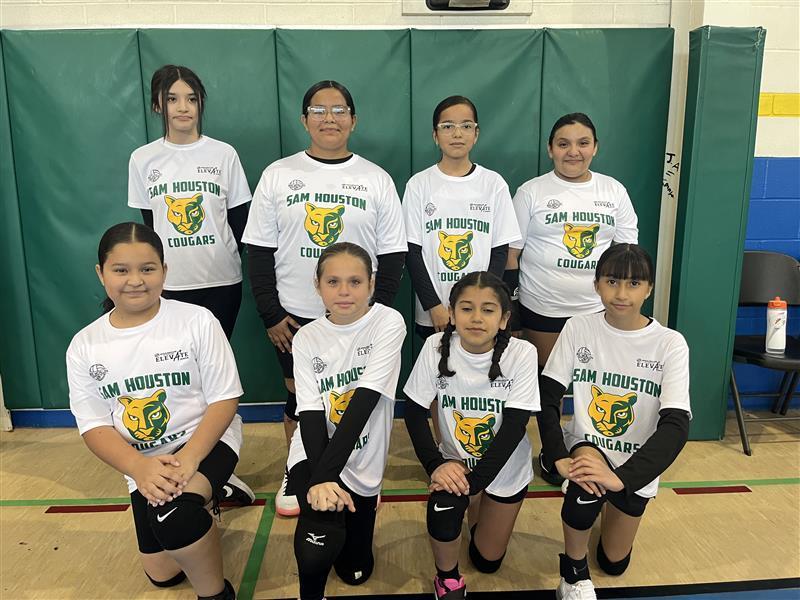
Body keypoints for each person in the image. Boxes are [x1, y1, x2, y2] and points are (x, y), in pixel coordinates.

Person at [243, 80, 407, 516]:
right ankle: (301, 468)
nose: (329, 118)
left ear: (353, 119)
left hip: (360, 316)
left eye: (339, 110)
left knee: (354, 397)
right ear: (304, 120)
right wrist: (270, 313)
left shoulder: (375, 178)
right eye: (318, 110)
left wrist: (378, 311)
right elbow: (258, 250)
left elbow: (392, 253)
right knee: (302, 398)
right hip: (295, 315)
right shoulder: (278, 174)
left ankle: (354, 470)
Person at [66, 222, 244, 600]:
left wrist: (189, 460)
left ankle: (215, 593)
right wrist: (139, 468)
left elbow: (225, 398)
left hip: (205, 443)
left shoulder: (196, 321)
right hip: (141, 461)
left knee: (174, 518)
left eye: (148, 269)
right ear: (101, 274)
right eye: (121, 270)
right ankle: (205, 502)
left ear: (165, 270)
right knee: (163, 573)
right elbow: (94, 426)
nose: (135, 280)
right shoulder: (85, 345)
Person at [128, 66, 254, 505]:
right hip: (170, 290)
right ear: (158, 104)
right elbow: (150, 231)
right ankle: (187, 470)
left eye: (192, 98)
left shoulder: (223, 154)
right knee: (183, 386)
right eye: (174, 98)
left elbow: (241, 224)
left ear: (201, 104)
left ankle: (218, 470)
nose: (183, 107)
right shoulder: (144, 159)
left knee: (215, 385)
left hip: (222, 283)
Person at [538, 244, 690, 600]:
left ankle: (605, 507)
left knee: (613, 562)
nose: (621, 294)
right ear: (597, 284)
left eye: (634, 284)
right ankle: (572, 575)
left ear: (649, 288)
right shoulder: (579, 328)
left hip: (636, 463)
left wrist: (622, 479)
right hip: (589, 447)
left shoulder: (670, 344)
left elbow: (675, 426)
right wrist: (558, 452)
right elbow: (547, 396)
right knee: (581, 494)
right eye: (612, 281)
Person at [506, 112, 639, 485]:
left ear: (595, 148)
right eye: (563, 143)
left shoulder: (613, 191)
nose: (573, 151)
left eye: (582, 143)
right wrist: (514, 315)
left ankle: (588, 456)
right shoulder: (531, 192)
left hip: (598, 313)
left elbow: (627, 254)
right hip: (542, 311)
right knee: (550, 390)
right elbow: (512, 255)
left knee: (589, 391)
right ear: (550, 149)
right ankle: (553, 454)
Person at [403, 271, 540, 600]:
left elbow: (513, 428)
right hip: (455, 463)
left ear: (504, 318)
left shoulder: (522, 354)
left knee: (486, 561)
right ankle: (447, 579)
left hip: (504, 468)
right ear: (451, 314)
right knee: (445, 517)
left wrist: (473, 484)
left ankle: (478, 505)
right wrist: (436, 466)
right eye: (466, 309)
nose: (476, 318)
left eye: (488, 310)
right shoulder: (436, 347)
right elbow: (413, 411)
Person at [286, 242, 405, 600]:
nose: (343, 292)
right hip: (313, 450)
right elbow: (308, 412)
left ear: (371, 284)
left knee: (355, 572)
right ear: (317, 285)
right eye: (333, 281)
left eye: (354, 281)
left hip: (363, 456)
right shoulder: (306, 338)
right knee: (317, 539)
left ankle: (360, 501)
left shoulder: (387, 322)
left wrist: (327, 478)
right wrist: (320, 480)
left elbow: (363, 404)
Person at [403, 95, 520, 340]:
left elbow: (500, 253)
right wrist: (433, 305)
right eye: (447, 126)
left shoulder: (493, 184)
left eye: (466, 126)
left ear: (476, 134)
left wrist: (485, 303)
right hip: (434, 314)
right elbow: (412, 253)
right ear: (435, 135)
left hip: (480, 314)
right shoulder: (419, 184)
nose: (457, 134)